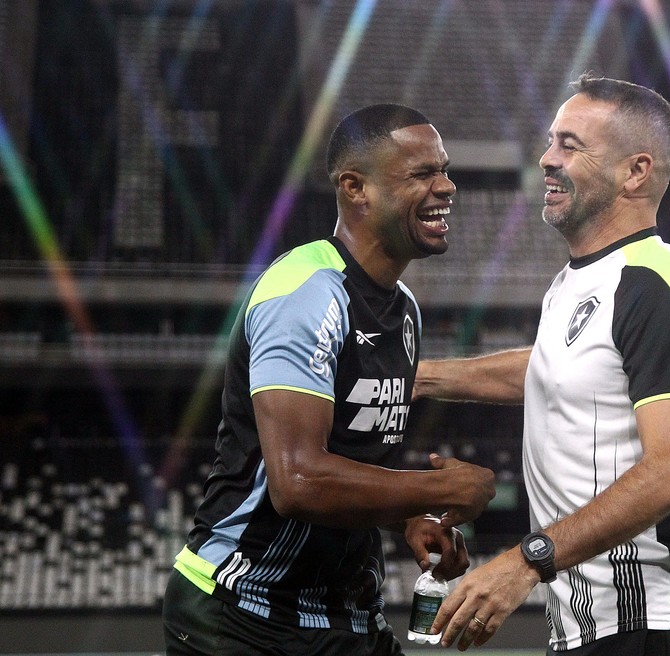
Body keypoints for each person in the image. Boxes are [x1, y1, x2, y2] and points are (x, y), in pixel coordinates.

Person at [415, 75, 670, 655]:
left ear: (635, 172)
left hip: (652, 621)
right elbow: (555, 369)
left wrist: (525, 561)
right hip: (600, 628)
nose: (546, 159)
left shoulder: (655, 288)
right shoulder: (582, 281)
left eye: (570, 145)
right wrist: (421, 377)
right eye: (550, 141)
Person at [162, 104, 496, 656]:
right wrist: (440, 488)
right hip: (243, 615)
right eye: (422, 174)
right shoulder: (307, 290)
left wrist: (407, 515)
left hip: (346, 614)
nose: (446, 186)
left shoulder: (404, 310)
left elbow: (353, 460)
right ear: (355, 188)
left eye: (445, 169)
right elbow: (297, 482)